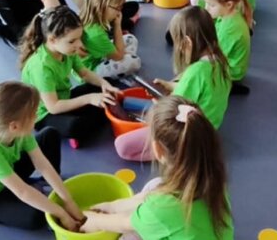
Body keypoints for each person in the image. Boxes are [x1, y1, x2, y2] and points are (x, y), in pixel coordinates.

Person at [83, 96, 233, 239]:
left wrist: (92, 220)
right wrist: (112, 207)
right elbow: (152, 197)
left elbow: (124, 223)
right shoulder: (212, 179)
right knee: (155, 185)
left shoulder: (160, 208)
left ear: (158, 149)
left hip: (158, 214)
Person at [0, 81, 84, 231]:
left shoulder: (17, 130)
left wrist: (68, 200)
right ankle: (36, 192)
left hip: (9, 171)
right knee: (37, 216)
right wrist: (61, 213)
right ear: (14, 126)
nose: (37, 116)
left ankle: (43, 186)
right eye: (33, 114)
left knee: (49, 135)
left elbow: (42, 164)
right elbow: (22, 192)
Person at [115, 7, 231, 161]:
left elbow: (172, 113)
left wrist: (159, 107)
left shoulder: (195, 72)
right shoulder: (221, 62)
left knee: (122, 145)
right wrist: (171, 86)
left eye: (177, 43)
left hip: (186, 133)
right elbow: (203, 94)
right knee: (141, 104)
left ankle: (174, 153)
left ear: (187, 42)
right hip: (208, 128)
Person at [18, 6, 119, 147]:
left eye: (79, 38)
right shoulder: (41, 67)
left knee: (109, 83)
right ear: (52, 40)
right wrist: (89, 99)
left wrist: (104, 85)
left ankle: (94, 113)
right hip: (45, 114)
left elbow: (84, 73)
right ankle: (84, 121)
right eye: (72, 41)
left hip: (64, 97)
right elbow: (53, 107)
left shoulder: (67, 50)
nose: (79, 44)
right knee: (76, 126)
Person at [203, 0, 253, 96]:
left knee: (197, 69)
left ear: (229, 4)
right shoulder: (228, 15)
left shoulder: (230, 29)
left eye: (211, 5)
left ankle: (228, 85)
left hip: (232, 72)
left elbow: (216, 56)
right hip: (229, 62)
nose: (206, 8)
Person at [79, 0, 140, 78]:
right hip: (90, 71)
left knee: (130, 38)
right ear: (101, 6)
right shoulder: (96, 33)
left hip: (100, 56)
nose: (119, 12)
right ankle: (119, 68)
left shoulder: (92, 20)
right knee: (133, 62)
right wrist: (117, 25)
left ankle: (120, 62)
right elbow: (119, 56)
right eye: (117, 8)